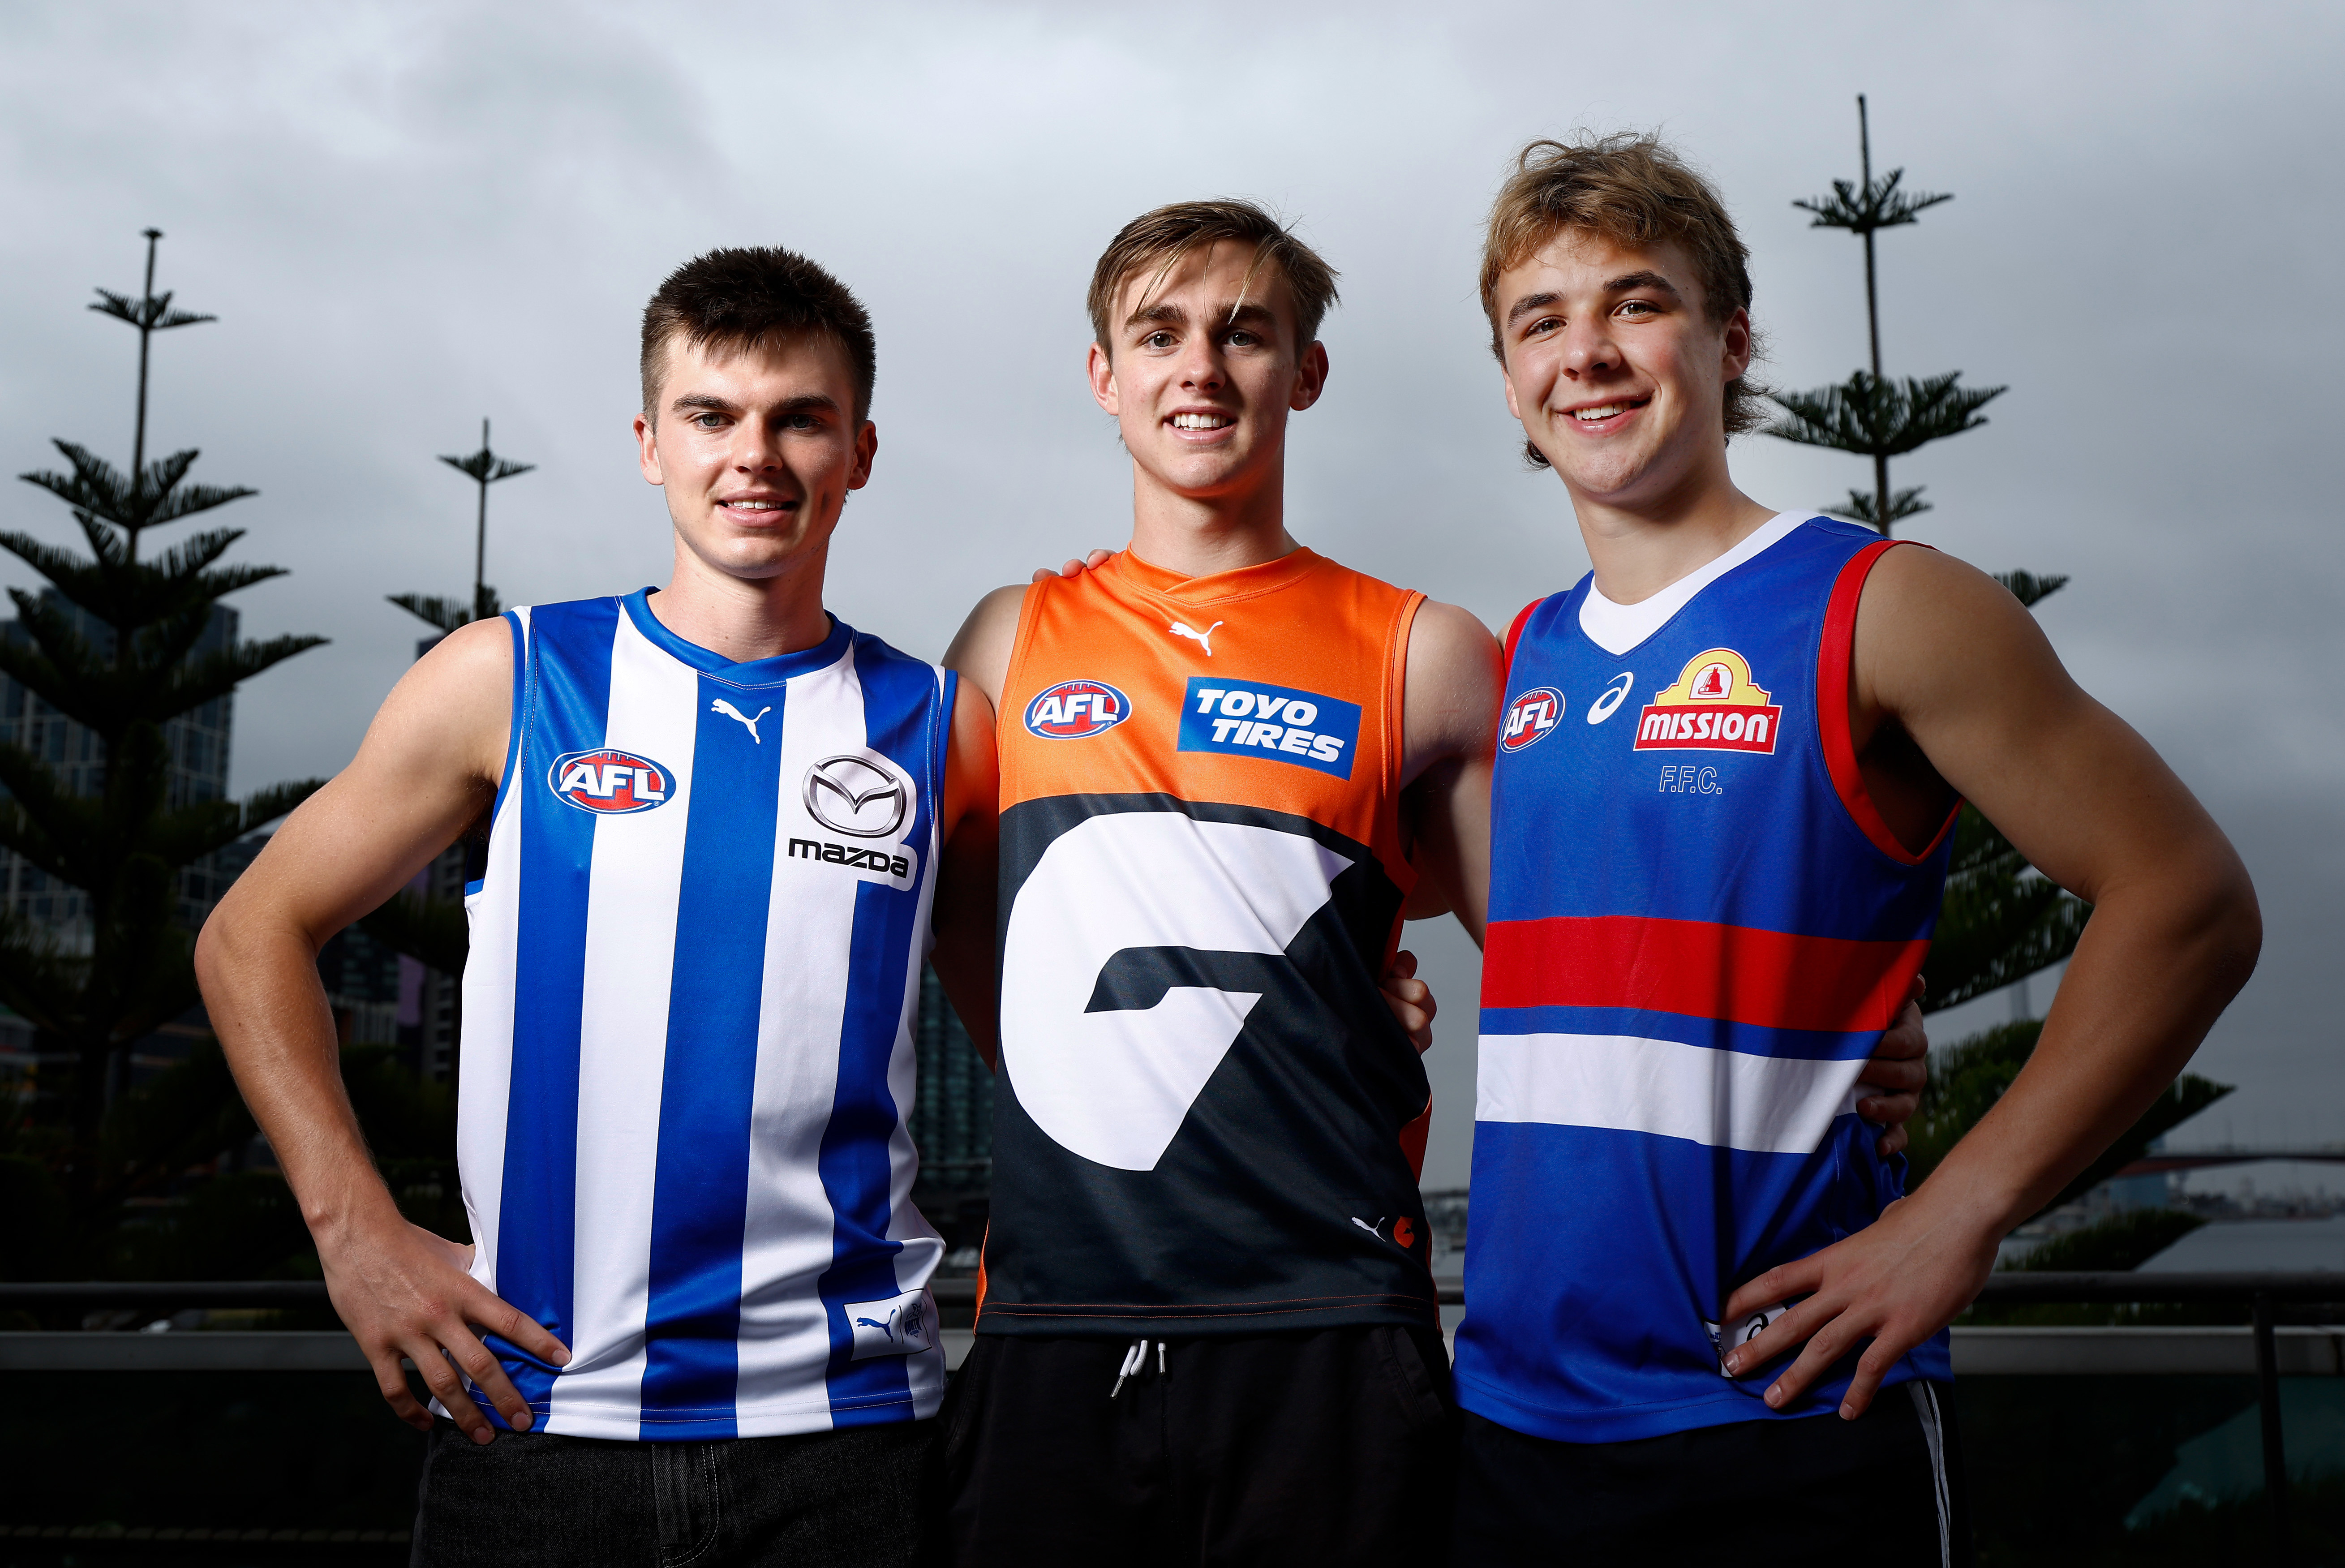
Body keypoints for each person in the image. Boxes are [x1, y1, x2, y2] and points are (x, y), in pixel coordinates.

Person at [937, 199, 1932, 1565]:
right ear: (1103, 375)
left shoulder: (1428, 654)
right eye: (1156, 335)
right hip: (1051, 1320)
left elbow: (1568, 930)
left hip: (1328, 1325)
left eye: (1244, 333)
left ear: (1307, 371)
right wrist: (1105, 1063)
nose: (1200, 368)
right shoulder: (1004, 640)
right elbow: (939, 933)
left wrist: (1840, 1014)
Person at [1431, 133, 2261, 1563]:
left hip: (1788, 1418)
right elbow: (1596, 964)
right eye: (1540, 321)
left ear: (1729, 339)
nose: (1588, 353)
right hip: (1513, 1422)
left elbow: (2187, 898)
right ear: (1509, 379)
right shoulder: (1522, 658)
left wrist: (1961, 1211)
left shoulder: (1885, 606)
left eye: (1636, 302)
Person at [197, 246, 1002, 1567]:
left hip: (849, 1441)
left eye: (800, 418)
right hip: (533, 1421)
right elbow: (249, 933)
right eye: (711, 417)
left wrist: (1345, 975)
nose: (756, 455)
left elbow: (1047, 1017)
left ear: (858, 449)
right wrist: (356, 1238)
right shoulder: (509, 678)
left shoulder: (935, 725)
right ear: (648, 443)